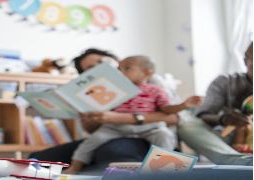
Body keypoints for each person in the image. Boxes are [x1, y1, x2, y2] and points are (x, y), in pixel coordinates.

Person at [29, 49, 179, 175]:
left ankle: (159, 172)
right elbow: (92, 130)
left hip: (146, 132)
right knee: (36, 159)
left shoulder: (151, 81)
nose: (98, 67)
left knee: (111, 153)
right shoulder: (93, 89)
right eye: (90, 68)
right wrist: (89, 118)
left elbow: (174, 117)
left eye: (101, 62)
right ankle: (84, 169)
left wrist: (123, 118)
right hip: (110, 132)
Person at [63, 56, 202, 174]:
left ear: (147, 72)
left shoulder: (156, 90)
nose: (121, 72)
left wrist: (183, 105)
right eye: (120, 69)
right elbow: (103, 107)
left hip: (149, 127)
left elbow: (167, 110)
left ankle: (164, 170)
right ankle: (75, 167)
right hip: (115, 127)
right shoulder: (115, 89)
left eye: (127, 69)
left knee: (164, 135)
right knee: (90, 142)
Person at [178, 42, 253, 165]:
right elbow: (203, 115)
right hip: (227, 137)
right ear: (246, 60)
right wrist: (224, 119)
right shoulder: (225, 82)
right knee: (187, 124)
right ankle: (238, 161)